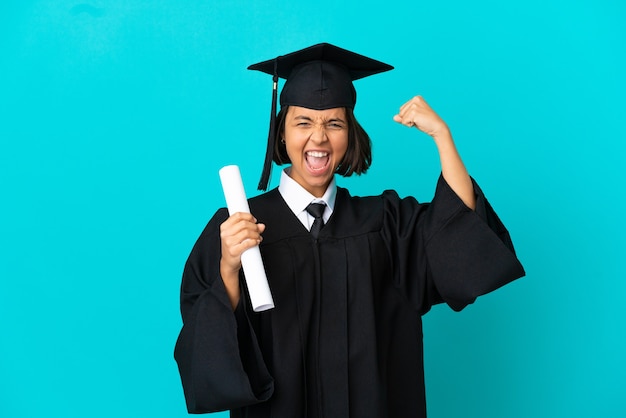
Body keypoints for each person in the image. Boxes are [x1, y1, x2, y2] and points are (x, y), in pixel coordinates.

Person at [174, 43, 525, 418]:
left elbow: (457, 239)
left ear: (350, 135)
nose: (319, 138)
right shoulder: (236, 228)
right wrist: (229, 268)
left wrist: (443, 136)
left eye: (334, 123)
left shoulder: (386, 223)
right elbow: (204, 341)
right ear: (281, 133)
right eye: (303, 122)